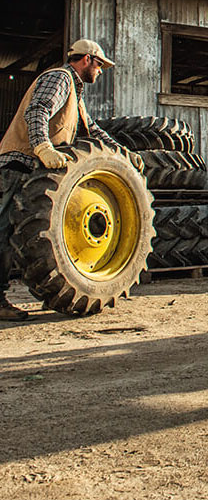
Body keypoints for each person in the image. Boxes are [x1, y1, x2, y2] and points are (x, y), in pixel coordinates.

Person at [0, 39, 133, 321]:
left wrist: (124, 155)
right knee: (2, 233)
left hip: (35, 171)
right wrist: (42, 146)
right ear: (87, 60)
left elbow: (92, 131)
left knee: (14, 237)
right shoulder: (59, 78)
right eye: (100, 66)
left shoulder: (76, 92)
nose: (101, 72)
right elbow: (38, 110)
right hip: (18, 164)